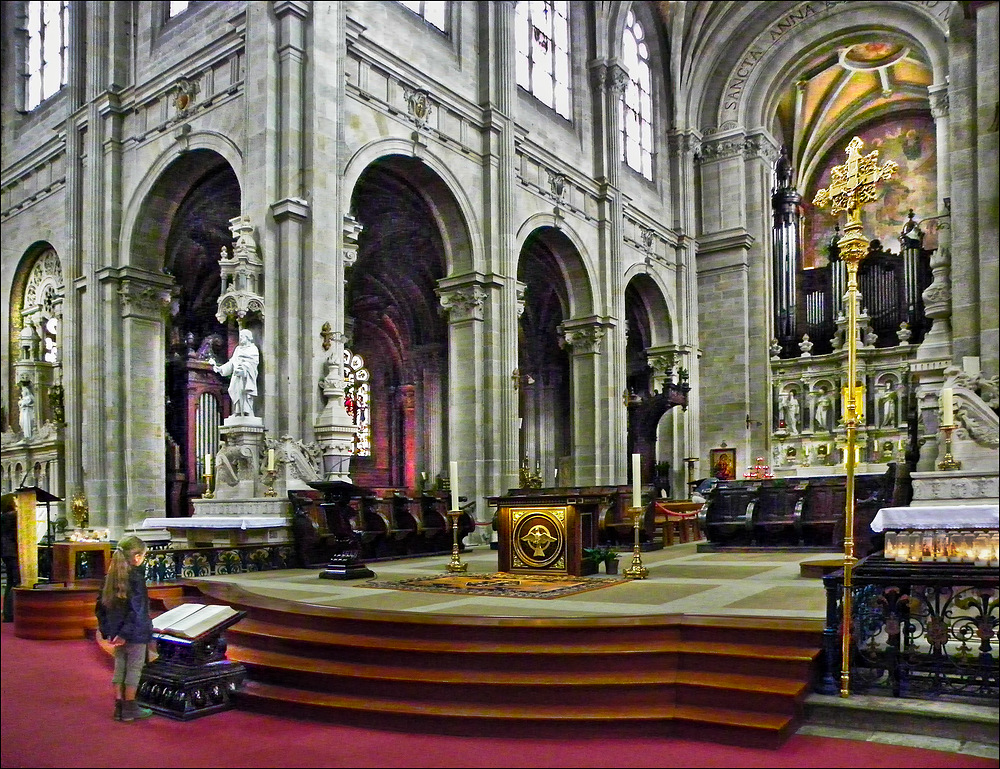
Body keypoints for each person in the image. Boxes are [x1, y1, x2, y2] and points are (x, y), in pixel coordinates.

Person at [95, 536, 155, 722]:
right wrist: (125, 634)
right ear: (136, 557)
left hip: (117, 632)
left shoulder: (110, 577)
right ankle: (130, 708)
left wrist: (110, 632)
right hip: (134, 633)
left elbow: (100, 608)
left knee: (120, 666)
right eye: (143, 556)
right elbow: (137, 611)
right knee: (134, 669)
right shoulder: (135, 578)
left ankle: (119, 706)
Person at [211, 328, 260, 417]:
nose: (241, 339)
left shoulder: (253, 349)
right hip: (236, 375)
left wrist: (244, 369)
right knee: (233, 389)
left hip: (245, 375)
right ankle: (238, 411)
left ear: (248, 337)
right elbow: (232, 362)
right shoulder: (238, 349)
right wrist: (220, 368)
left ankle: (246, 411)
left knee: (243, 391)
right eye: (240, 337)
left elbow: (253, 363)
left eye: (242, 337)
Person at [1, 494, 19, 622]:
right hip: (13, 551)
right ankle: (12, 612)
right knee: (16, 581)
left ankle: (8, 612)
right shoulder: (13, 516)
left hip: (6, 551)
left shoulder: (4, 516)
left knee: (10, 581)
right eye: (15, 500)